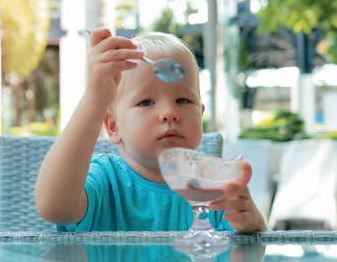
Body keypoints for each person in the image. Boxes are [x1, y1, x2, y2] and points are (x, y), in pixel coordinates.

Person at [35, 28, 268, 232]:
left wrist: (251, 224)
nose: (169, 112)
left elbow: (255, 251)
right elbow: (54, 208)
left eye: (184, 100)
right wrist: (95, 99)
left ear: (201, 112)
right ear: (113, 126)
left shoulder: (213, 188)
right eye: (146, 102)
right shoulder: (105, 181)